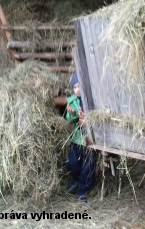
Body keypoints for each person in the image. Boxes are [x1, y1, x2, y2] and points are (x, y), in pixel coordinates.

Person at [65, 72, 97, 203]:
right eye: (75, 87)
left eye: (79, 86)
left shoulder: (91, 100)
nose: (77, 89)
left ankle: (83, 192)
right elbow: (69, 119)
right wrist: (72, 114)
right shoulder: (72, 102)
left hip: (90, 140)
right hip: (77, 139)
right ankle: (77, 180)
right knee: (72, 163)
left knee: (87, 167)